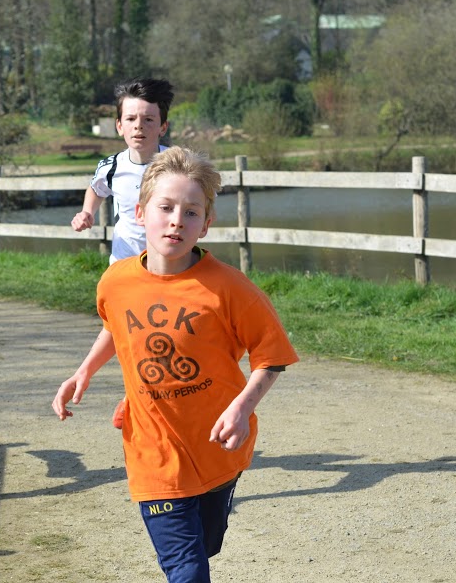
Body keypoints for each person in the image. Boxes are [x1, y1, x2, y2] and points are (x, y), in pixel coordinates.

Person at [53, 146, 299, 582]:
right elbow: (115, 326)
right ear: (139, 212)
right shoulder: (115, 282)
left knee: (206, 544)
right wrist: (84, 370)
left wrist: (241, 408)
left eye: (191, 212)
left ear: (206, 224)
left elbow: (272, 357)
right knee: (187, 568)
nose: (176, 221)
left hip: (218, 446)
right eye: (165, 208)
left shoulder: (230, 289)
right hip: (151, 451)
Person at [71, 77, 174, 265]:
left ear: (163, 127)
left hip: (168, 263)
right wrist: (87, 212)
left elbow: (204, 200)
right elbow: (96, 190)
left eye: (148, 119)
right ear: (119, 126)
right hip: (124, 261)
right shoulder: (111, 167)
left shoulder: (178, 164)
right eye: (131, 118)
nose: (138, 125)